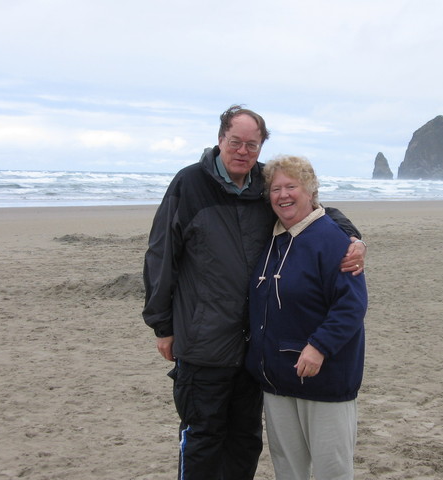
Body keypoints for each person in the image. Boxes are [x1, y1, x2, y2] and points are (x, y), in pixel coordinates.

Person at [142, 105, 366, 480]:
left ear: (261, 147)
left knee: (246, 441)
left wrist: (351, 235)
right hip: (203, 344)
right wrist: (161, 325)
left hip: (252, 350)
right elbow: (160, 255)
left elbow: (311, 207)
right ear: (219, 140)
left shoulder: (263, 185)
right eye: (236, 142)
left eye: (252, 144)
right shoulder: (190, 184)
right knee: (203, 437)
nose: (243, 151)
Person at [245, 155, 368, 480]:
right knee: (288, 470)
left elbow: (351, 305)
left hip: (324, 380)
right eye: (275, 188)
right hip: (276, 381)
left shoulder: (334, 240)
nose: (282, 195)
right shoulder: (270, 239)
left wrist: (319, 346)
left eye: (291, 186)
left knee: (332, 471)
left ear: (310, 191)